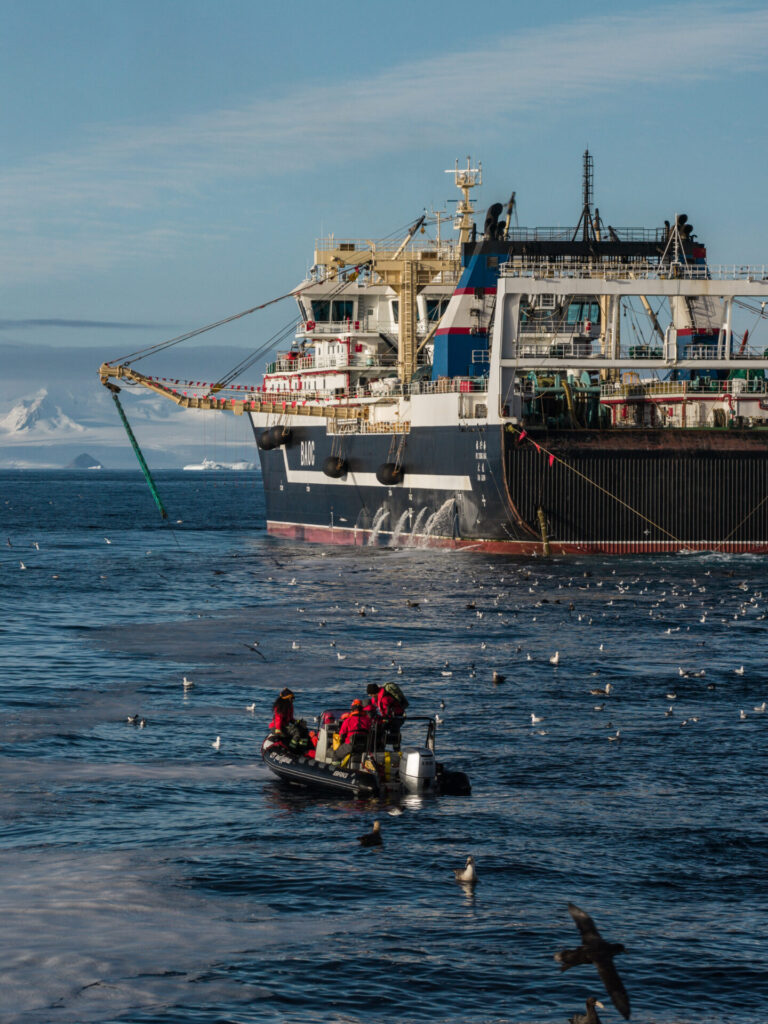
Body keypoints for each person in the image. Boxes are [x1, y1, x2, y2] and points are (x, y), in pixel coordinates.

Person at [333, 698, 373, 764]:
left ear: (352, 709)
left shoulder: (348, 720)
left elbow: (342, 735)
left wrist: (342, 741)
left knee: (336, 755)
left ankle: (336, 770)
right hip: (365, 746)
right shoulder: (368, 720)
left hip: (350, 745)